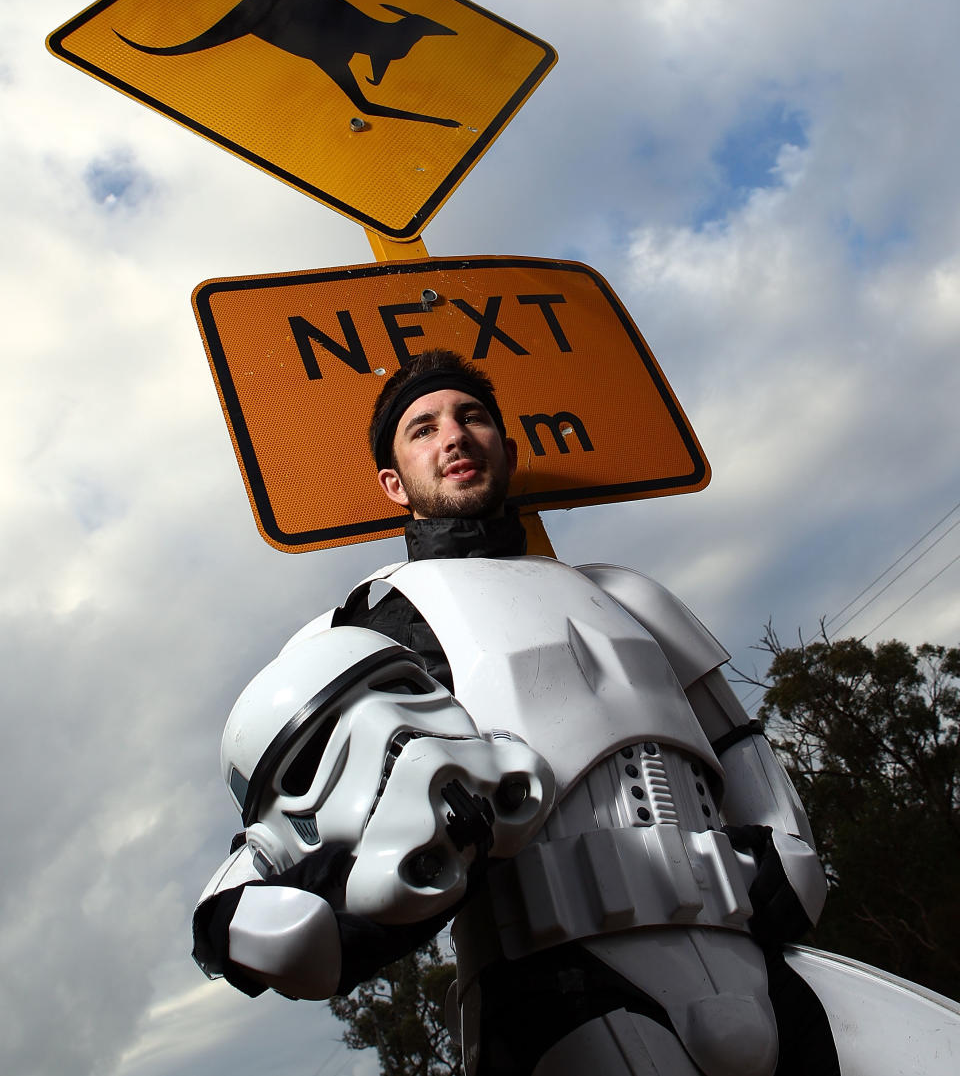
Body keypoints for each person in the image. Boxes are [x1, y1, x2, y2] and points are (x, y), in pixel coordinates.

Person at [193, 349, 838, 1076]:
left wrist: (788, 852)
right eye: (424, 428)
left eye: (473, 417)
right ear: (392, 482)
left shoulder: (629, 592)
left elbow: (736, 737)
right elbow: (300, 807)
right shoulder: (375, 620)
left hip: (748, 950)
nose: (455, 436)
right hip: (555, 976)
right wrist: (236, 907)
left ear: (508, 445)